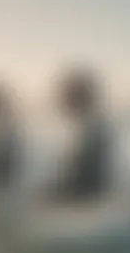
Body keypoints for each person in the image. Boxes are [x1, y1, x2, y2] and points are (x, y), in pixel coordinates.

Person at [47, 69, 112, 203]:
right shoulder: (87, 125)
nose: (62, 101)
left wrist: (57, 193)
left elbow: (87, 177)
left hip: (85, 201)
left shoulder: (92, 127)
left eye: (67, 96)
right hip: (82, 195)